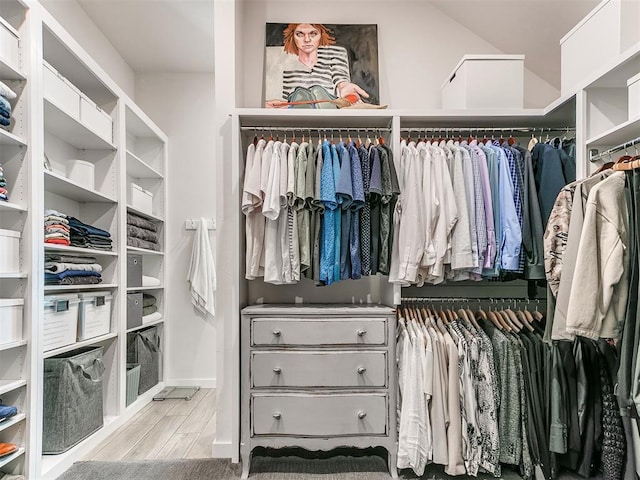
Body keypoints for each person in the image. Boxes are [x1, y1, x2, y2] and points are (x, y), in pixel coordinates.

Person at [265, 23, 369, 108]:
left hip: (326, 109)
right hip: (295, 111)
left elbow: (341, 79)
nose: (307, 39)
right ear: (292, 36)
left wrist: (346, 87)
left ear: (321, 35)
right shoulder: (280, 62)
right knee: (299, 93)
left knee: (318, 91)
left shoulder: (333, 55)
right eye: (300, 34)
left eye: (313, 33)